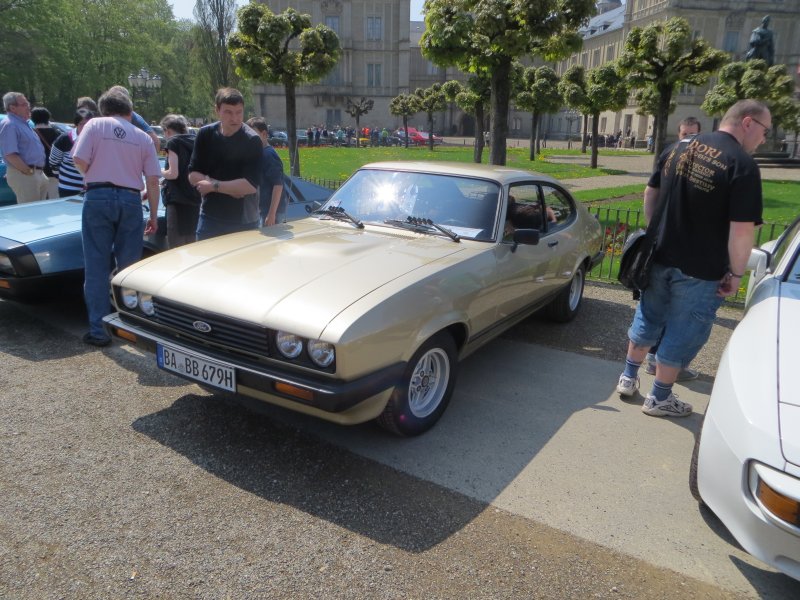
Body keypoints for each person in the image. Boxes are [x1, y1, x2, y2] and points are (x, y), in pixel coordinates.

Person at [616, 99, 770, 417]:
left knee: (648, 316)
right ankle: (659, 398)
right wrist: (737, 274)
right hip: (701, 266)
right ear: (748, 123)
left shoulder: (677, 148)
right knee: (684, 330)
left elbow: (650, 193)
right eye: (766, 131)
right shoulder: (741, 164)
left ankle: (628, 377)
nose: (765, 139)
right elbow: (741, 231)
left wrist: (654, 232)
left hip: (657, 256)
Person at [72, 87, 160, 347]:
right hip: (131, 199)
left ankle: (98, 331)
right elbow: (153, 181)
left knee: (96, 266)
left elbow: (79, 159)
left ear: (103, 109)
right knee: (130, 268)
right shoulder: (143, 138)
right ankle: (133, 326)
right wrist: (153, 214)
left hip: (98, 196)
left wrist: (93, 171)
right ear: (130, 112)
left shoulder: (95, 125)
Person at [643, 117, 702, 381]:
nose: (689, 139)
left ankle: (652, 362)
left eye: (693, 135)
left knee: (662, 307)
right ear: (679, 135)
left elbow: (651, 192)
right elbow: (650, 191)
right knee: (666, 308)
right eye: (685, 135)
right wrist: (651, 227)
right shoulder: (672, 156)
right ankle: (660, 364)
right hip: (674, 245)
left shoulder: (680, 158)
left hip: (675, 244)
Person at [188, 87, 262, 241]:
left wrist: (213, 186)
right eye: (228, 112)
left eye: (239, 112)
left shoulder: (252, 140)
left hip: (242, 220)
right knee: (205, 262)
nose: (234, 118)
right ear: (217, 110)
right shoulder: (205, 134)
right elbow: (193, 175)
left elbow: (249, 186)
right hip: (209, 217)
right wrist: (231, 189)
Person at [160, 114, 200, 248]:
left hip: (177, 200)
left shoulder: (173, 142)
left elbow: (173, 173)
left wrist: (158, 171)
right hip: (195, 198)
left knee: (176, 245)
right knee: (192, 243)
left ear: (168, 130)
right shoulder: (195, 141)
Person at [0, 92, 48, 203]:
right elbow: (10, 154)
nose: (28, 106)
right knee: (31, 215)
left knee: (39, 214)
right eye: (24, 104)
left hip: (36, 174)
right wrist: (28, 171)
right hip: (25, 175)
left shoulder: (23, 123)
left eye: (28, 103)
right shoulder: (10, 125)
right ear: (12, 108)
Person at [246, 116, 286, 227]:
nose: (249, 138)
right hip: (262, 209)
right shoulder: (260, 153)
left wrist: (272, 214)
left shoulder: (269, 155)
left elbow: (278, 185)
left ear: (264, 134)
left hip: (271, 211)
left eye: (252, 134)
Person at [49, 108, 96, 197]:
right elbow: (54, 162)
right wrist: (62, 177)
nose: (86, 127)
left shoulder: (97, 139)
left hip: (91, 188)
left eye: (89, 124)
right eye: (82, 124)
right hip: (68, 187)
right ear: (76, 124)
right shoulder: (65, 139)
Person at [30, 107, 61, 198]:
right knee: (53, 199)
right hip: (54, 170)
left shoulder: (31, 133)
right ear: (48, 118)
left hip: (37, 170)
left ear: (33, 118)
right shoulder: (57, 133)